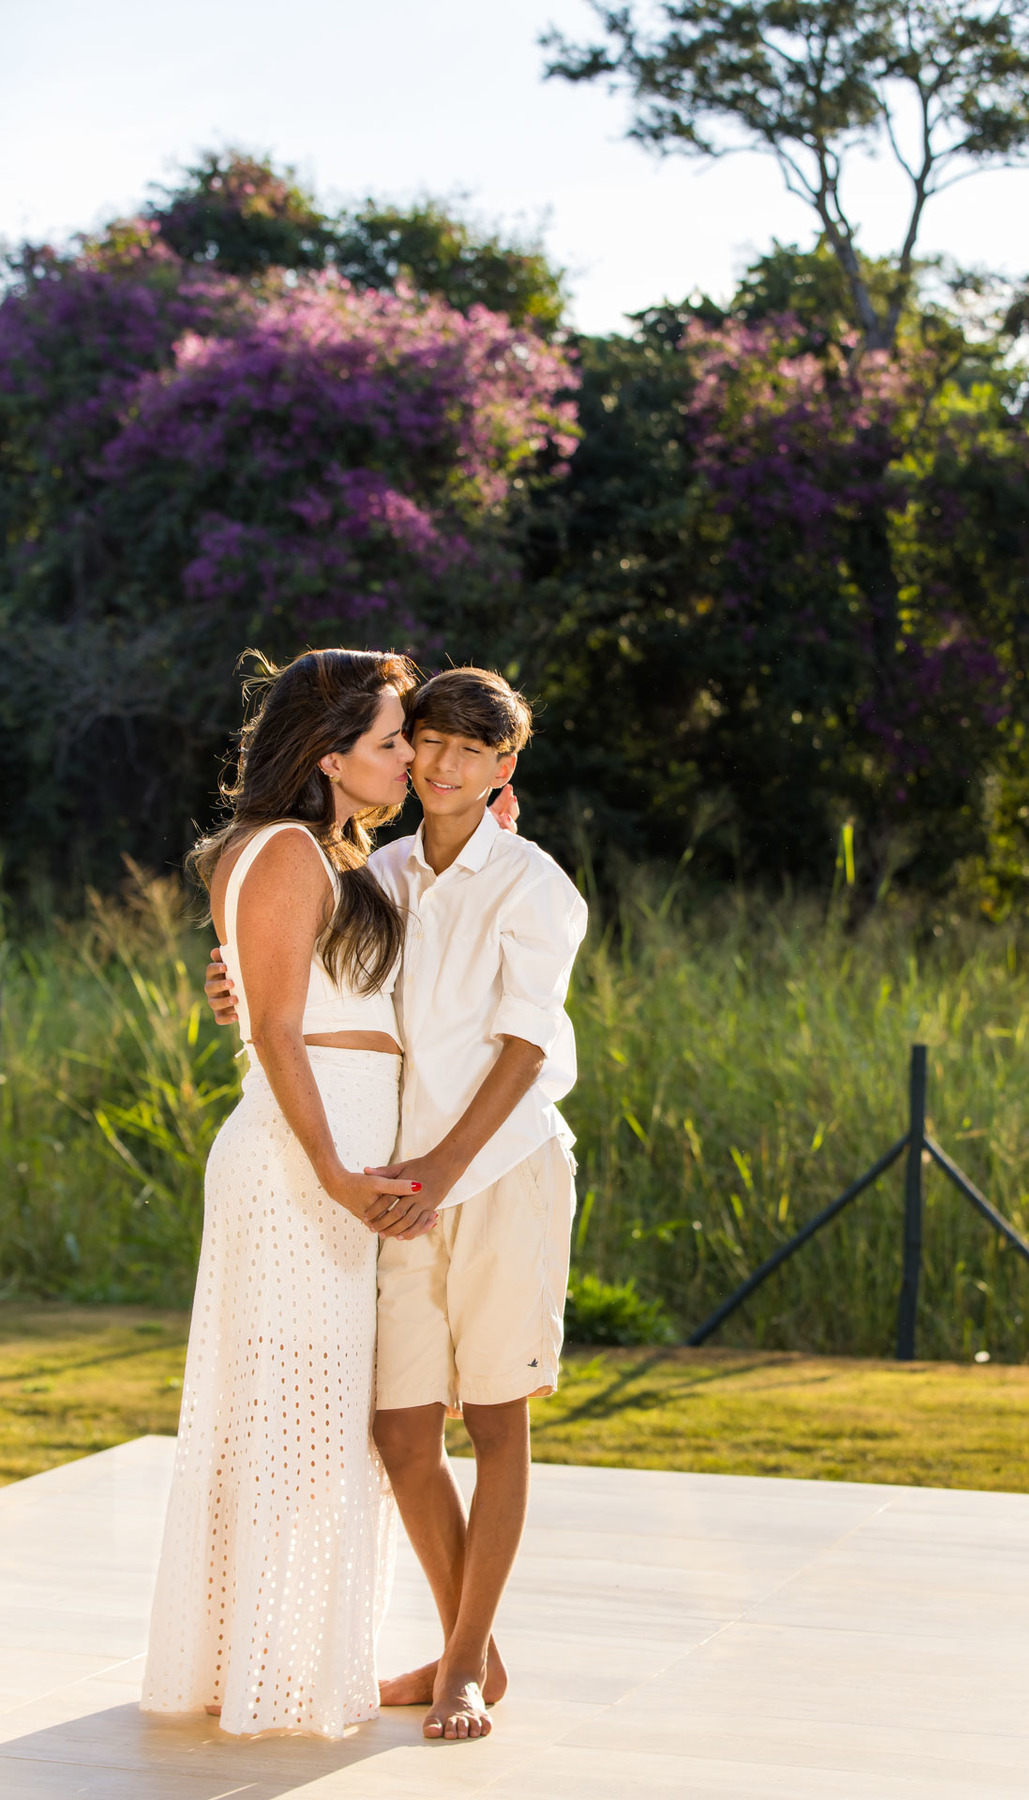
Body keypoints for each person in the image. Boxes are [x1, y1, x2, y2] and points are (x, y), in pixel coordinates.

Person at [206, 666, 587, 1744]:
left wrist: (440, 1168)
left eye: (476, 752)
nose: (447, 766)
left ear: (507, 768)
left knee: (499, 1419)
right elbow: (321, 978)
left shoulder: (537, 886)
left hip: (496, 1170)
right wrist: (234, 982)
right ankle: (482, 1649)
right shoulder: (383, 871)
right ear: (408, 749)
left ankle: (462, 1665)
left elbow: (525, 1045)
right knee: (402, 1430)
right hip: (400, 1186)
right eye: (430, 743)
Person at [142, 647, 436, 1739]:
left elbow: (283, 992)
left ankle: (279, 1657)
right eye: (392, 741)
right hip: (304, 1166)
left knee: (312, 1425)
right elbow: (273, 1031)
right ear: (328, 756)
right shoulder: (284, 854)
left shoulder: (322, 853)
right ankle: (268, 1670)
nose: (408, 759)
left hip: (337, 1159)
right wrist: (335, 1178)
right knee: (292, 1424)